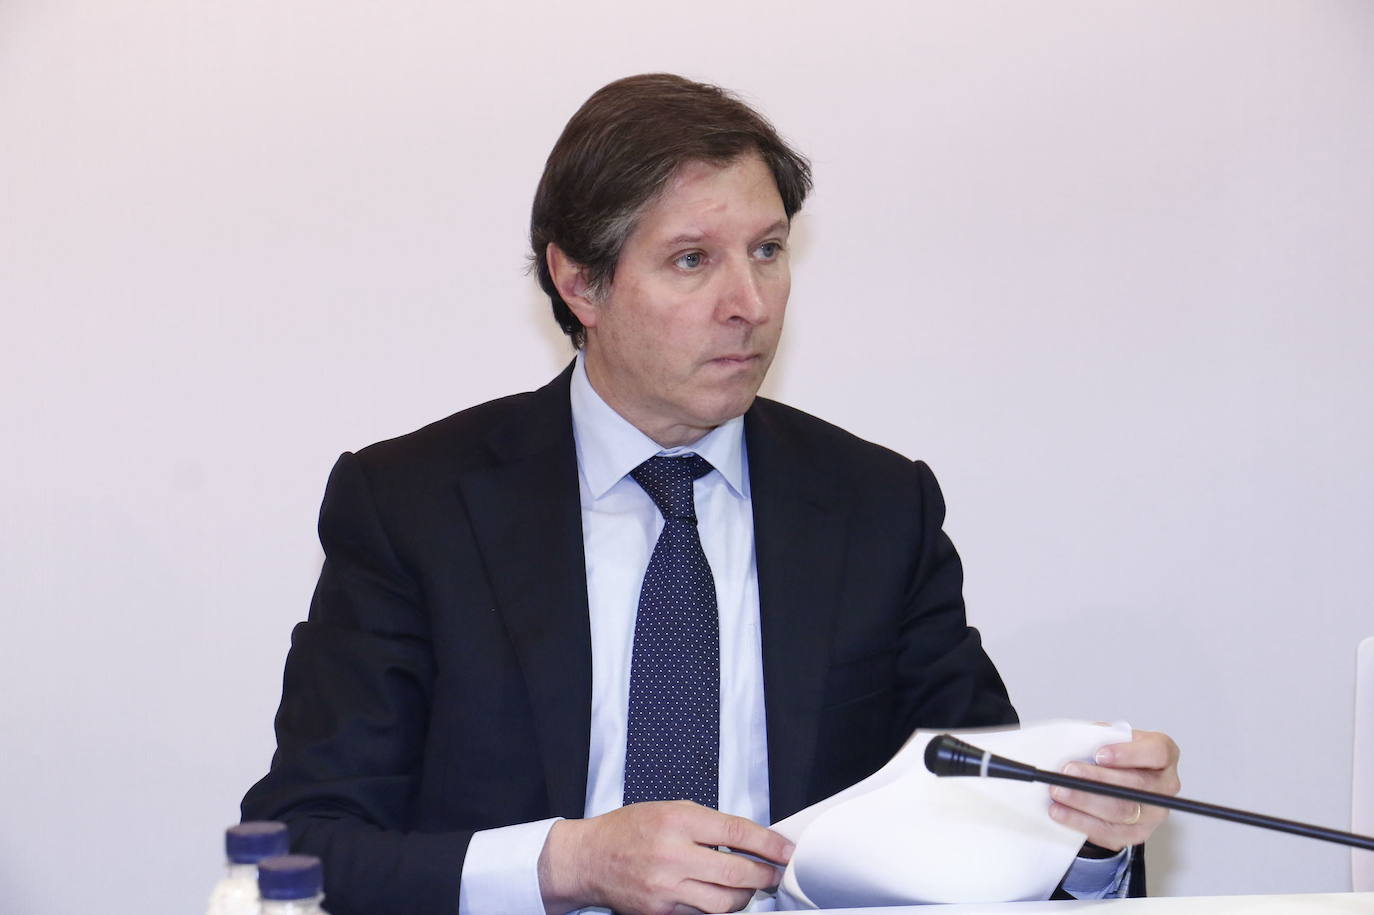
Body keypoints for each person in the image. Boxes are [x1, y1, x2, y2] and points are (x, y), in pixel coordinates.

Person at [242, 73, 1181, 915]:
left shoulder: (877, 507)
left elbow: (980, 812)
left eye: (767, 250)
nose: (751, 304)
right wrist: (568, 862)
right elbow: (302, 843)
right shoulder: (415, 506)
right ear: (579, 282)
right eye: (692, 259)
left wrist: (1088, 835)